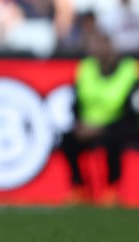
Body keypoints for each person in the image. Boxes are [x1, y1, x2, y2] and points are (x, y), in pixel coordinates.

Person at [58, 27, 139, 206]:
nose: (98, 50)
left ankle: (112, 189)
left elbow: (132, 109)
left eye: (103, 45)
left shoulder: (130, 69)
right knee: (67, 139)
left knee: (113, 139)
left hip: (119, 124)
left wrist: (100, 128)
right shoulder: (86, 68)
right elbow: (76, 101)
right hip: (88, 124)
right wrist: (79, 123)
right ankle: (79, 187)